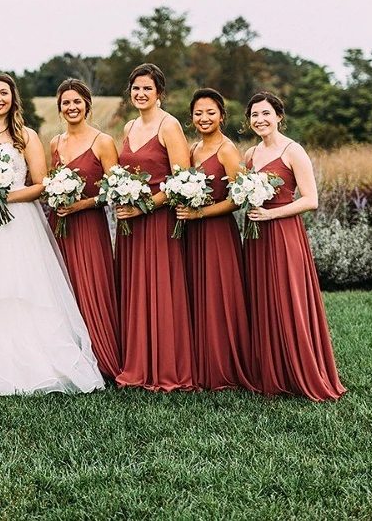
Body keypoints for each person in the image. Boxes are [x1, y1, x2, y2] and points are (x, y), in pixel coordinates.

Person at [0, 73, 104, 395]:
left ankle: (34, 357)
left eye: (3, 92)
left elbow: (41, 184)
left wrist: (6, 196)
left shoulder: (25, 135)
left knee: (22, 284)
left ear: (13, 97)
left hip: (19, 222)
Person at [242, 92, 346, 401]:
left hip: (284, 234)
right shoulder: (250, 154)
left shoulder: (293, 151)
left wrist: (271, 214)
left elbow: (310, 200)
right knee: (262, 298)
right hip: (255, 236)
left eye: (265, 114)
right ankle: (269, 372)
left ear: (278, 116)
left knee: (289, 299)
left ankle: (300, 371)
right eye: (254, 115)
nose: (260, 120)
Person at [114, 63, 195, 392]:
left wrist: (142, 206)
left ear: (160, 93)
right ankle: (137, 362)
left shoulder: (169, 126)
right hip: (130, 225)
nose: (141, 94)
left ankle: (163, 367)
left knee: (160, 290)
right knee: (136, 289)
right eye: (136, 88)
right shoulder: (130, 126)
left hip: (158, 222)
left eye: (147, 88)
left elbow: (182, 182)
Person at [174, 89, 258, 392]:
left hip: (217, 232)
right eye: (198, 113)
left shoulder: (226, 149)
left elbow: (239, 198)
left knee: (219, 296)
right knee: (197, 294)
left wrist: (201, 214)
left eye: (210, 112)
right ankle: (200, 363)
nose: (204, 118)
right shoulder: (192, 150)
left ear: (221, 115)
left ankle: (223, 367)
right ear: (191, 117)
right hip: (192, 234)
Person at [48, 78, 122, 381]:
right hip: (59, 226)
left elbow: (113, 190)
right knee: (63, 289)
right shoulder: (55, 143)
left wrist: (81, 205)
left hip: (89, 226)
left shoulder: (103, 142)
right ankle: (68, 357)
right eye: (66, 102)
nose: (71, 107)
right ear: (60, 108)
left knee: (93, 288)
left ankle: (101, 358)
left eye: (77, 101)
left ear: (87, 105)